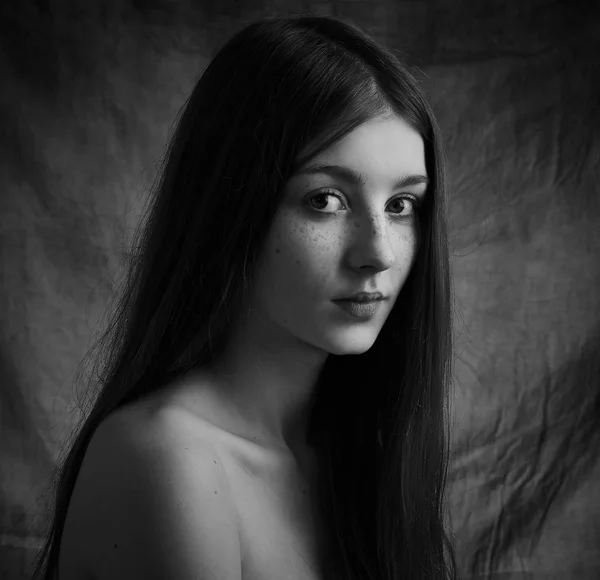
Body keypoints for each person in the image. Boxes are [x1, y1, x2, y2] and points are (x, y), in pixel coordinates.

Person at [29, 12, 460, 580]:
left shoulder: (357, 450)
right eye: (326, 199)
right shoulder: (167, 459)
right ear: (232, 206)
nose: (377, 252)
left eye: (401, 205)